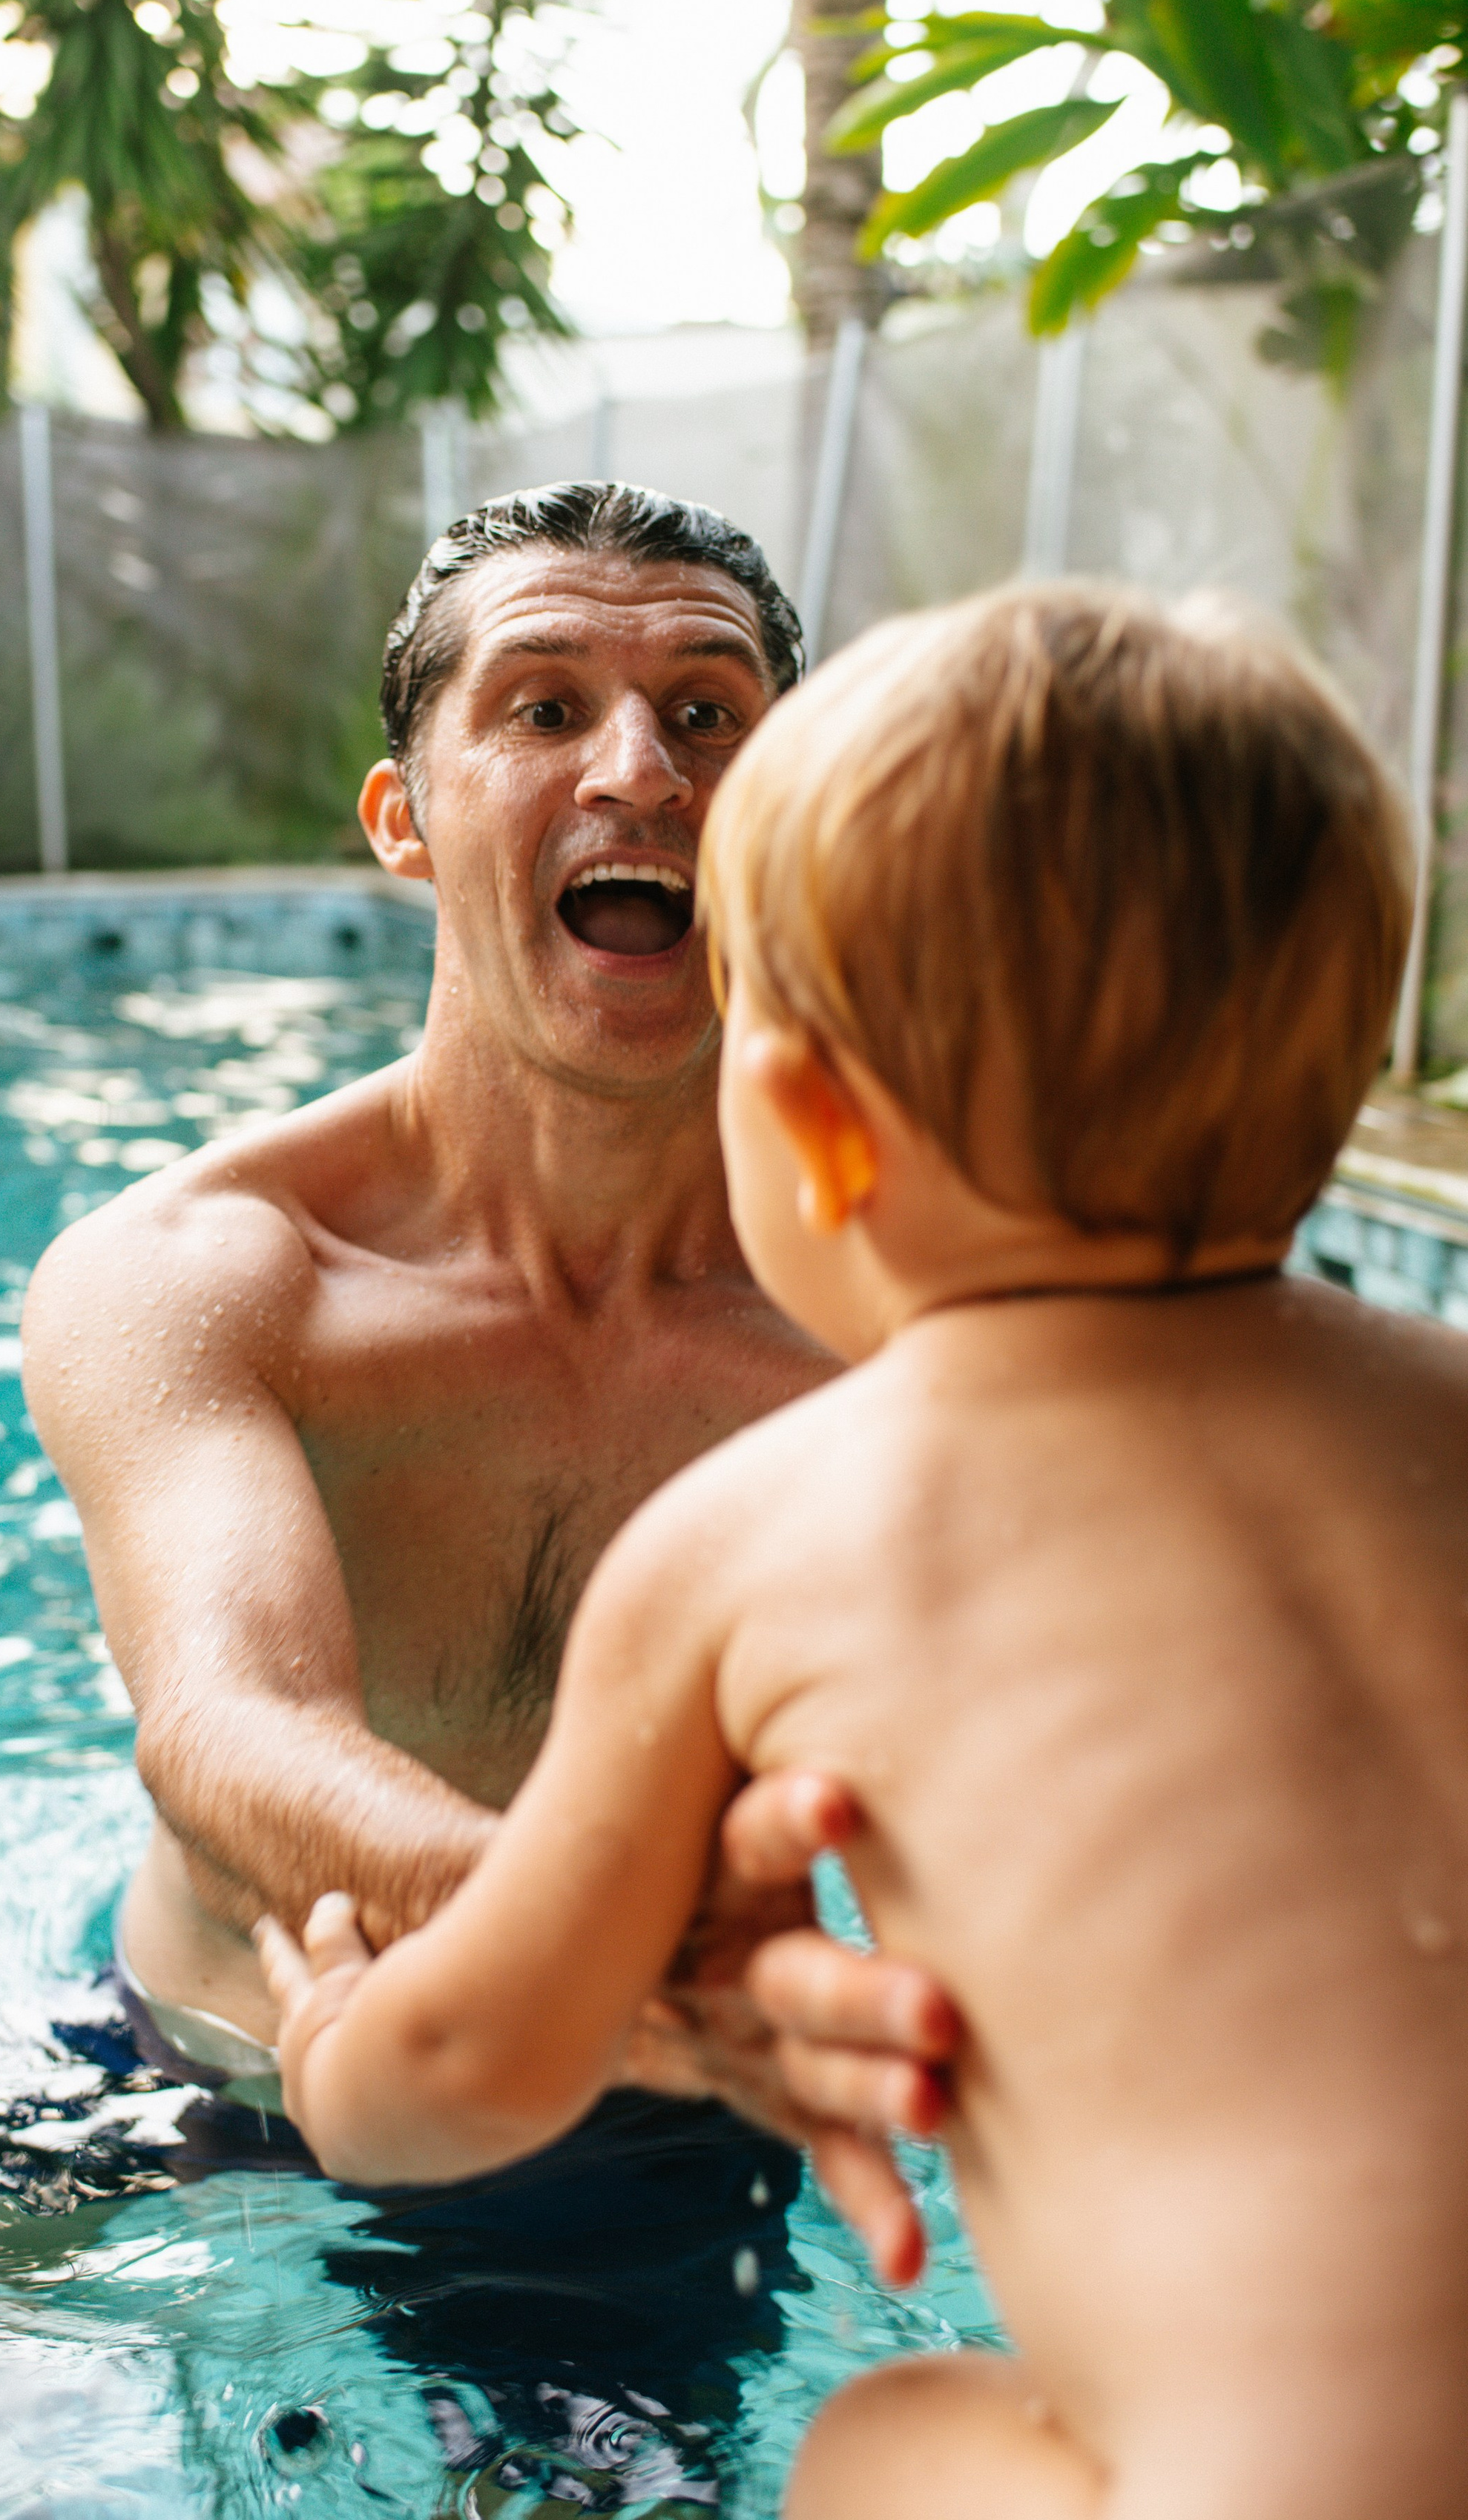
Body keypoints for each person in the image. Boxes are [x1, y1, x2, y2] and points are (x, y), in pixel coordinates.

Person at [260, 578, 1468, 2520]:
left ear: (811, 1125)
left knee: (890, 2444)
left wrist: (336, 2046)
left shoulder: (773, 1528)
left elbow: (477, 2060)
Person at [19, 484, 955, 2498]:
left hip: (636, 2116)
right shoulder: (203, 1277)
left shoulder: (896, 1324)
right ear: (403, 816)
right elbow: (227, 1725)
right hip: (200, 2059)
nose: (639, 764)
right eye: (543, 707)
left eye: (710, 716)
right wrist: (627, 1959)